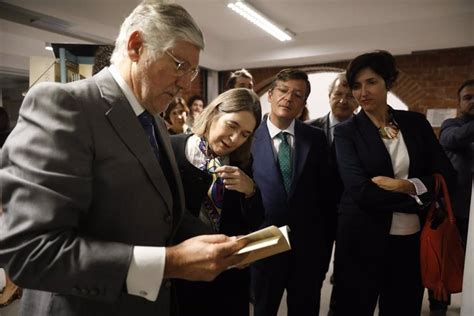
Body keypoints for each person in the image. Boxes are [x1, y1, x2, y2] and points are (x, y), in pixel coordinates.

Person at [0, 2, 249, 316]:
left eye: (193, 71)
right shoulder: (65, 105)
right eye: (179, 65)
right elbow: (29, 253)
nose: (186, 83)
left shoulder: (154, 122)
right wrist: (169, 263)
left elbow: (160, 213)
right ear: (136, 46)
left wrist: (220, 244)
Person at [333, 50, 456, 316]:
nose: (363, 92)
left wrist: (406, 186)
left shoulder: (415, 124)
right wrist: (421, 197)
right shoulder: (346, 132)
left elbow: (445, 174)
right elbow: (361, 191)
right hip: (360, 239)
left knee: (402, 307)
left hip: (410, 240)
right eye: (356, 85)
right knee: (352, 308)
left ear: (388, 82)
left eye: (371, 82)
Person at [171, 88, 263, 316]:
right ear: (213, 114)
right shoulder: (171, 149)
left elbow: (254, 219)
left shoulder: (243, 161)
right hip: (182, 272)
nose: (235, 139)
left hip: (229, 278)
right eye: (232, 126)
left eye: (244, 134)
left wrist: (251, 190)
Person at [251, 68, 333, 315]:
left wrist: (323, 252)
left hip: (308, 248)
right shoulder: (248, 137)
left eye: (297, 95)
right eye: (283, 91)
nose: (288, 98)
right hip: (263, 243)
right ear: (270, 95)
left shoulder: (316, 139)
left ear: (303, 104)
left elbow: (327, 194)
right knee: (263, 309)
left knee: (305, 308)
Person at [307, 72, 358, 316]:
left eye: (350, 95)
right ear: (329, 96)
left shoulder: (365, 133)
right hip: (316, 216)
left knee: (346, 276)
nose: (343, 100)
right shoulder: (308, 130)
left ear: (357, 100)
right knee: (312, 274)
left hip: (352, 215)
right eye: (338, 94)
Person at [434, 79, 474, 315]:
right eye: (468, 98)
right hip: (453, 209)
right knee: (445, 261)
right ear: (459, 103)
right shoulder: (451, 125)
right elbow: (450, 140)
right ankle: (439, 306)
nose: (473, 101)